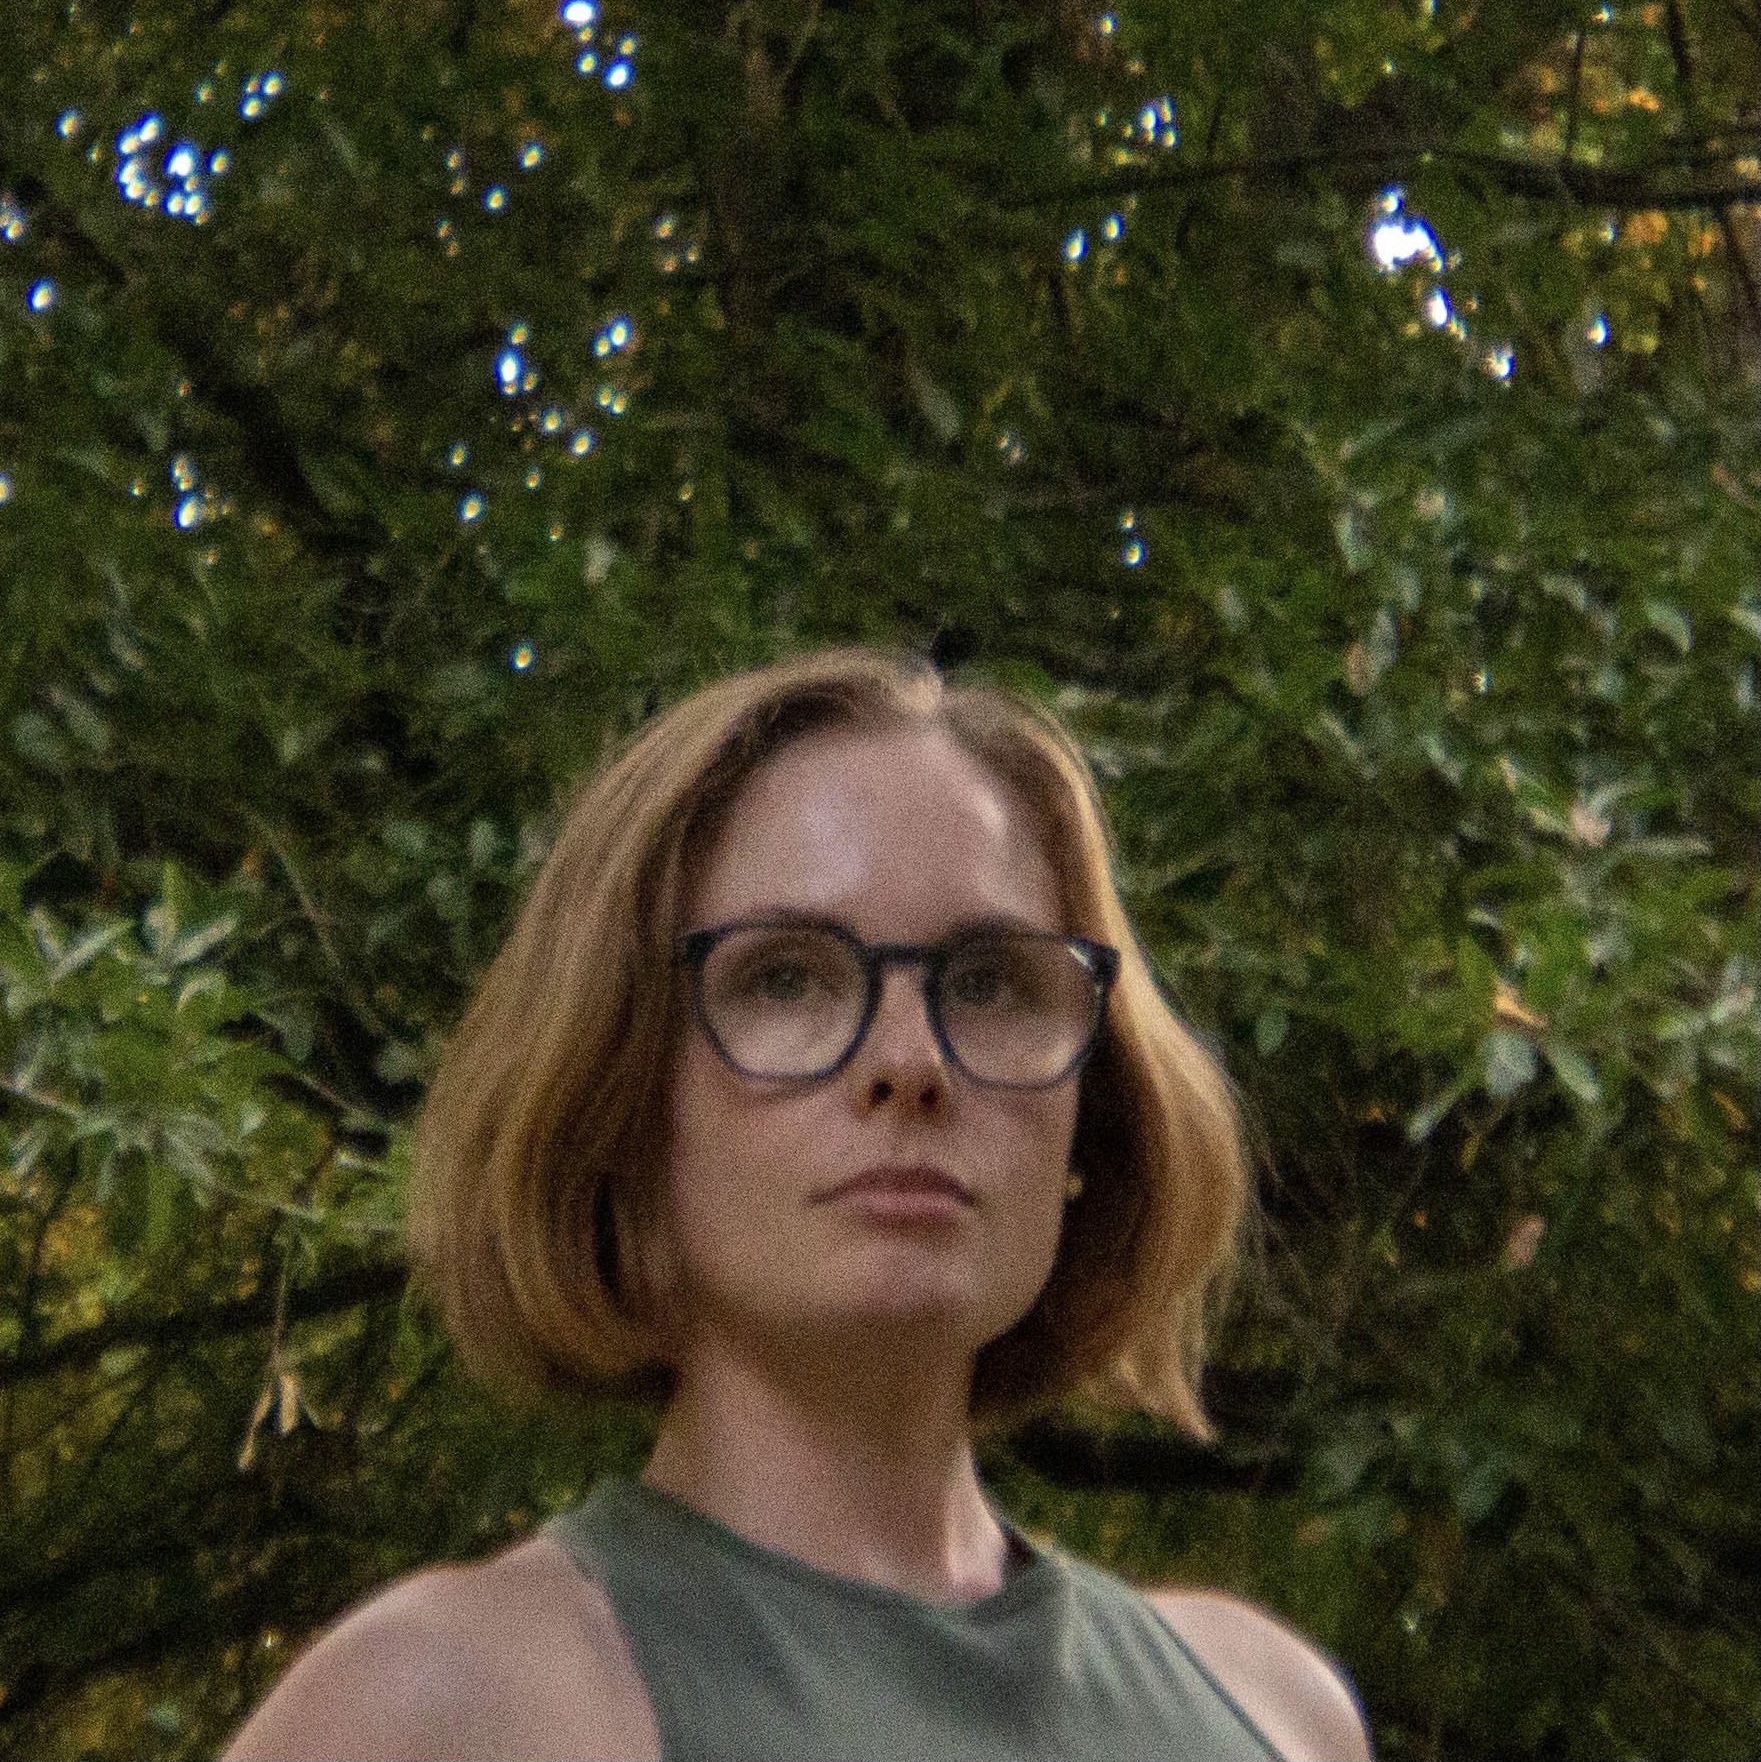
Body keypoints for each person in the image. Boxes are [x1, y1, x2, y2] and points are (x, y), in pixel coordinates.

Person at [223, 647, 1373, 1762]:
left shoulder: (1269, 1715)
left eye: (989, 984)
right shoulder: (441, 1711)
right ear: (619, 1095)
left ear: (1094, 1110)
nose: (910, 1062)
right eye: (784, 978)